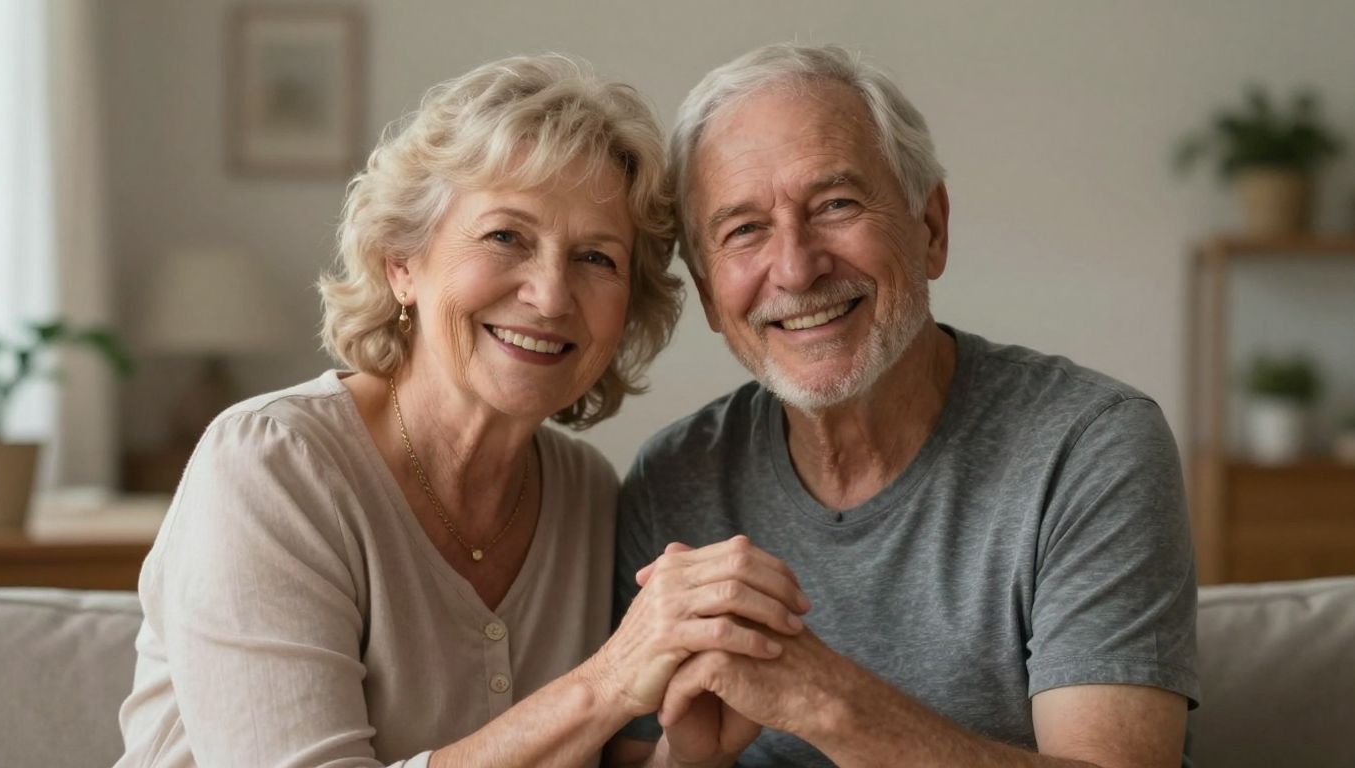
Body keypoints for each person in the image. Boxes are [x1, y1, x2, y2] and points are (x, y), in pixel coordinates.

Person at [115, 54, 811, 768]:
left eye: (597, 259)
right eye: (506, 236)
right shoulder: (271, 468)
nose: (549, 295)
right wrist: (606, 682)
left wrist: (686, 756)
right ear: (401, 263)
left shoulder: (590, 495)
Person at [607, 44, 1200, 768]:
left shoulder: (1088, 447)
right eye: (743, 230)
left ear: (930, 229)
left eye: (836, 204)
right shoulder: (673, 481)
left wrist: (825, 703)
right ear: (706, 293)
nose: (795, 267)